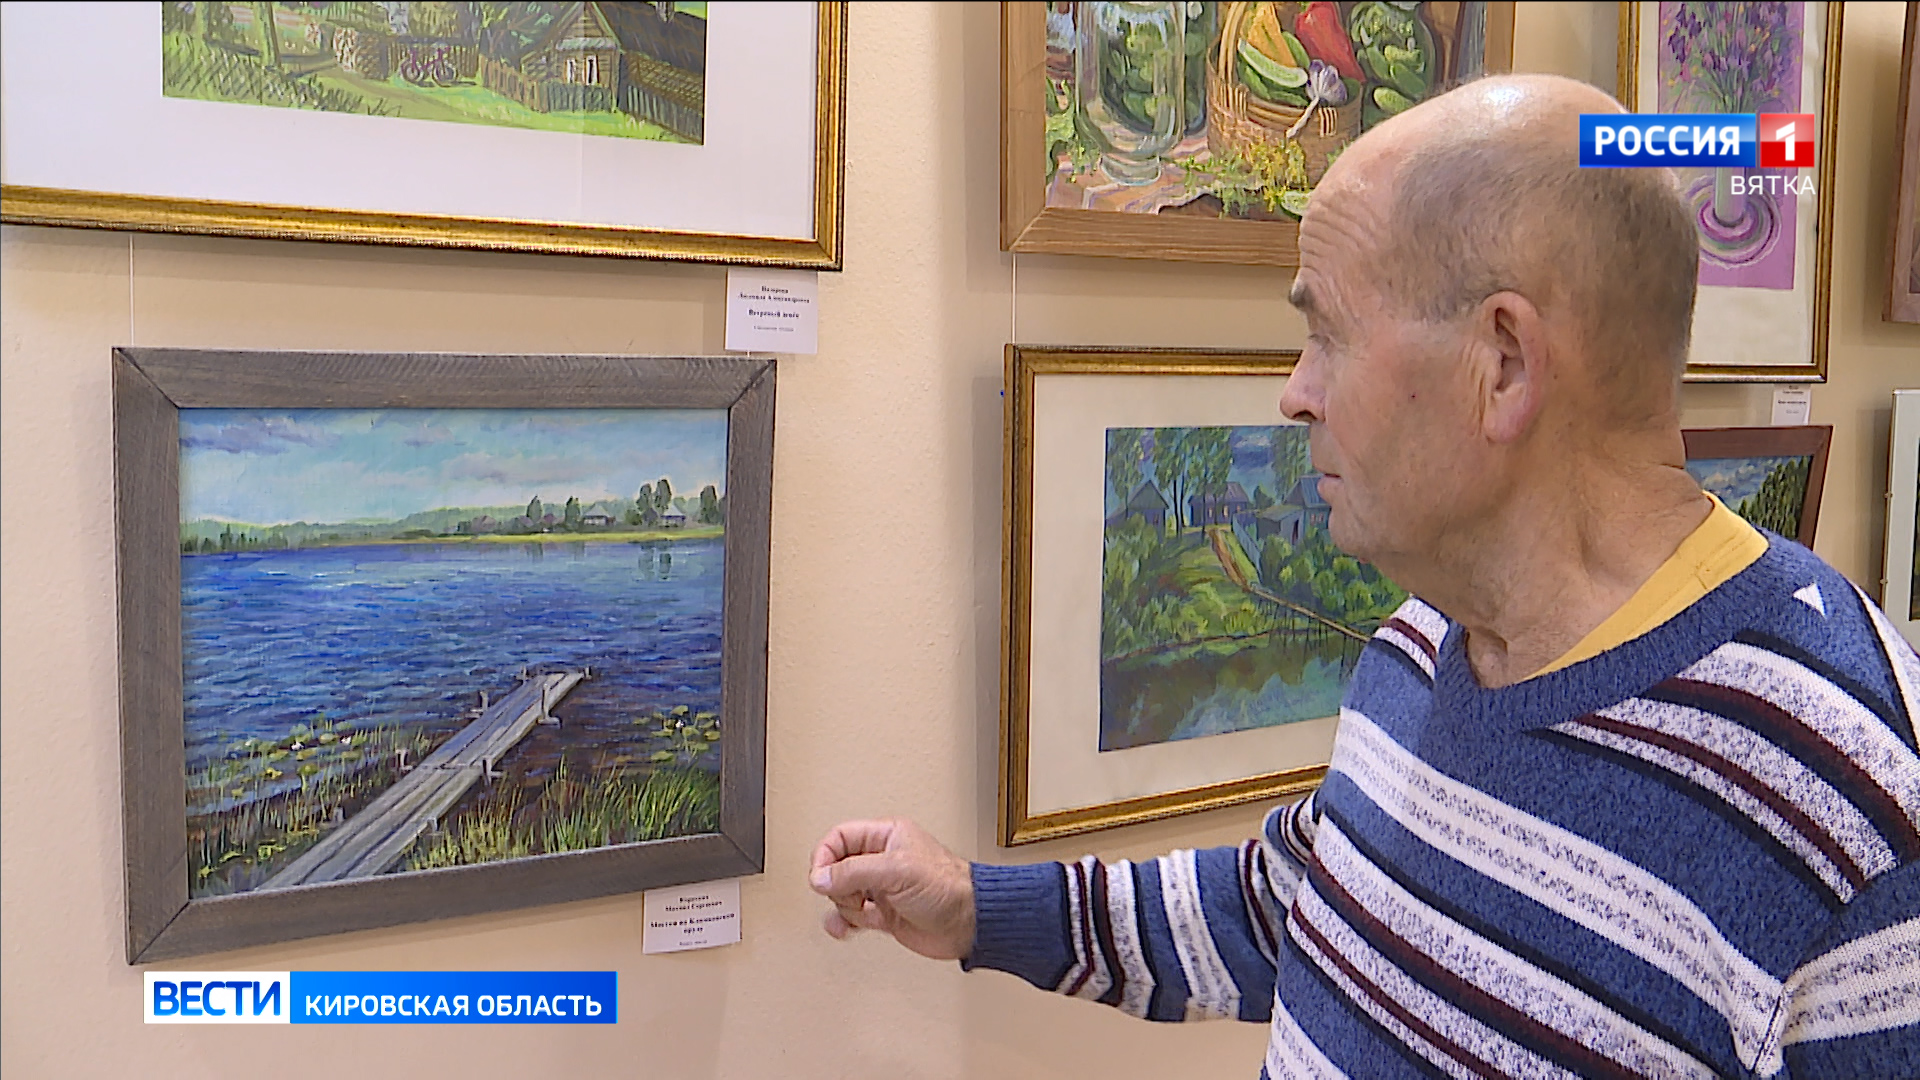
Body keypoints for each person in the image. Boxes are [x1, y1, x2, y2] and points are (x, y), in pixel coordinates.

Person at [810, 74, 1920, 1078]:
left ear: (1503, 363)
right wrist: (976, 905)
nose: (1296, 392)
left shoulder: (1856, 812)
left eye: (1329, 335)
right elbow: (1298, 905)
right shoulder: (1424, 637)